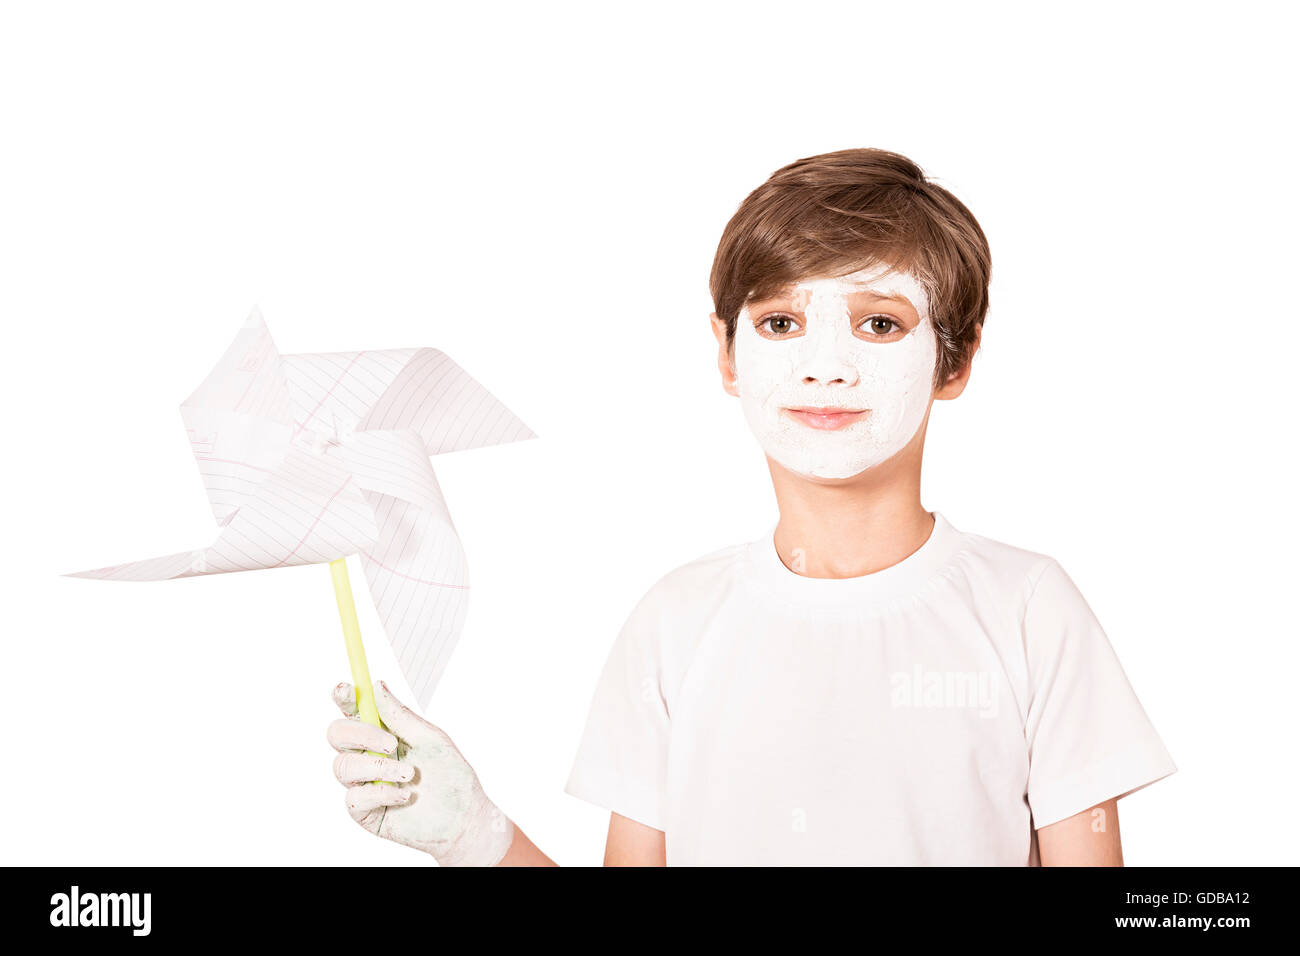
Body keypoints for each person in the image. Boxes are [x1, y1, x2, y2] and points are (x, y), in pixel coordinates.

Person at [326, 147, 1176, 866]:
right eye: (780, 324)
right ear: (726, 355)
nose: (826, 365)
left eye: (879, 325)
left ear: (954, 362)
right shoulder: (675, 621)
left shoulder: (1028, 609)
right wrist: (477, 835)